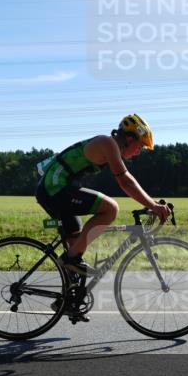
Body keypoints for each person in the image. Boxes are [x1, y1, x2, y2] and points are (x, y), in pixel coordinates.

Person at [35, 114, 171, 281]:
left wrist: (152, 203)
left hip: (55, 189)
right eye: (140, 146)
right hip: (54, 188)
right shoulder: (108, 143)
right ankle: (69, 259)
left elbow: (128, 181)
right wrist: (153, 205)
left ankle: (69, 292)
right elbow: (125, 181)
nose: (139, 152)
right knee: (110, 208)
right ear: (129, 138)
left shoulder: (110, 145)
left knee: (77, 243)